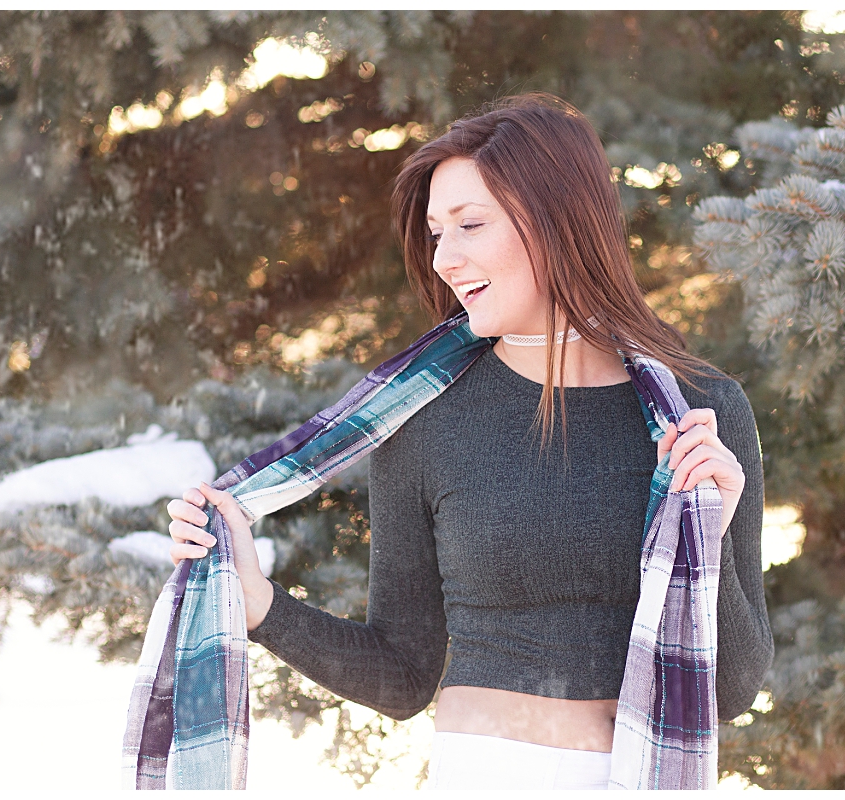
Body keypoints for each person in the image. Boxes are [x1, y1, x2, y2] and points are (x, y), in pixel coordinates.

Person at [166, 93, 772, 790]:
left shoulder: (698, 413)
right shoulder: (426, 419)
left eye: (469, 225)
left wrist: (712, 534)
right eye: (434, 233)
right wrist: (259, 604)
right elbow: (401, 674)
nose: (445, 258)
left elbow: (729, 693)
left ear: (556, 222)